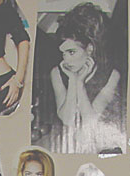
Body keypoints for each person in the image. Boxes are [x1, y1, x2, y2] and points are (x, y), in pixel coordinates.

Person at [50, 2, 124, 154]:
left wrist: (80, 84)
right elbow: (67, 119)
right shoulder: (57, 73)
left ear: (89, 49)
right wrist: (73, 80)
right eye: (63, 53)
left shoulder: (112, 76)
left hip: (98, 146)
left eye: (71, 52)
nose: (66, 60)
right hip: (67, 146)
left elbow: (90, 121)